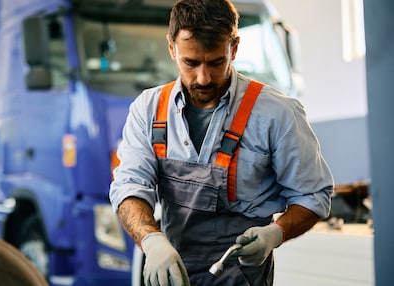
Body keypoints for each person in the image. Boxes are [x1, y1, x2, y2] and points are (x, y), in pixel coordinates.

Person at [109, 0, 334, 285]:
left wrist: (275, 233)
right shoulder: (148, 109)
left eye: (216, 62)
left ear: (234, 48)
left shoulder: (278, 114)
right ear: (172, 48)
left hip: (242, 278)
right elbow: (129, 186)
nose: (203, 78)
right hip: (172, 274)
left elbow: (313, 196)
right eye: (190, 62)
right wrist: (152, 240)